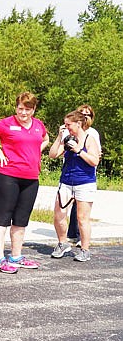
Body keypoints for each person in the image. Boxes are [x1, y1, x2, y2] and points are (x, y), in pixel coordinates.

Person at [0, 92, 49, 273]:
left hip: (31, 178)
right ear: (16, 108)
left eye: (27, 109)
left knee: (21, 220)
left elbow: (45, 139)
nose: (23, 113)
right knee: (3, 217)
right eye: (20, 108)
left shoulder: (38, 125)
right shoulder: (7, 123)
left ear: (33, 109)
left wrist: (35, 152)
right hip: (8, 176)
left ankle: (16, 256)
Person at [49, 110, 100, 261]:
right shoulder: (67, 138)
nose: (66, 127)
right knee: (59, 215)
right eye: (64, 125)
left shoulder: (89, 139)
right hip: (66, 181)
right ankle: (62, 243)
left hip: (84, 182)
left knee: (82, 218)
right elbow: (52, 155)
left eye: (68, 125)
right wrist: (59, 137)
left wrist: (79, 151)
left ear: (78, 124)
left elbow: (94, 161)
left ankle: (85, 249)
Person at [66, 104, 101, 246]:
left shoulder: (92, 134)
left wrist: (81, 152)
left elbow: (96, 155)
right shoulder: (68, 131)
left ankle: (82, 240)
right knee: (68, 208)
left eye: (88, 115)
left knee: (82, 212)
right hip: (68, 173)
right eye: (82, 113)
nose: (85, 117)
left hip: (85, 175)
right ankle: (71, 234)